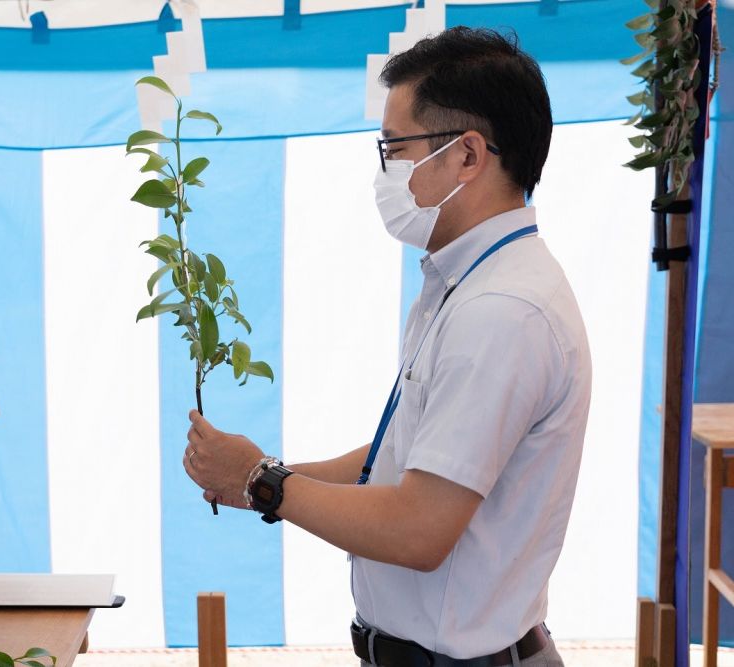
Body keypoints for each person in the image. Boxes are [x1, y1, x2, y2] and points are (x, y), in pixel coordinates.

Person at [182, 26, 591, 667]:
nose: (386, 171)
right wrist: (256, 478)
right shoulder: (466, 283)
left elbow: (419, 528)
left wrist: (264, 481)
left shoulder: (502, 311)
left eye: (394, 149)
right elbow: (404, 456)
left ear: (467, 155)